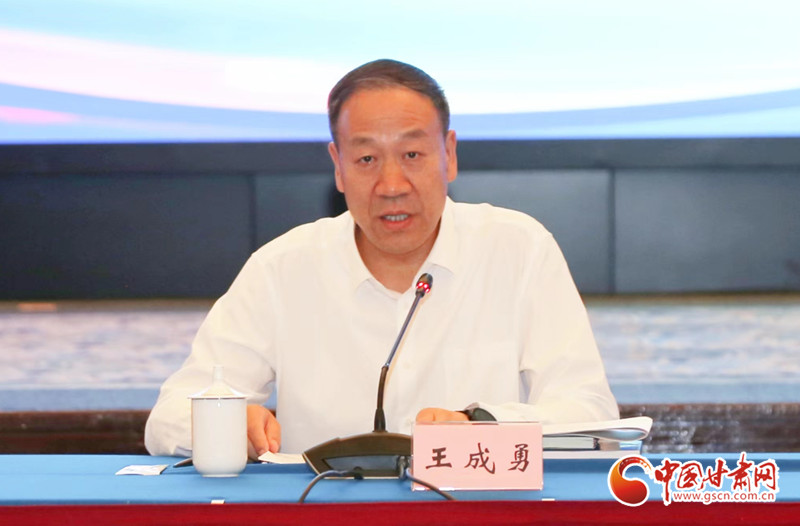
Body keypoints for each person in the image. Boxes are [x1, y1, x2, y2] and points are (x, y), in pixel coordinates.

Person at [145, 59, 619, 458]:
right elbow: (168, 419)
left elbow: (592, 417)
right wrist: (228, 425)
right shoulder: (283, 268)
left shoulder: (518, 250)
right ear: (338, 166)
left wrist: (481, 425)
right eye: (367, 159)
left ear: (449, 155)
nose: (392, 185)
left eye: (412, 154)